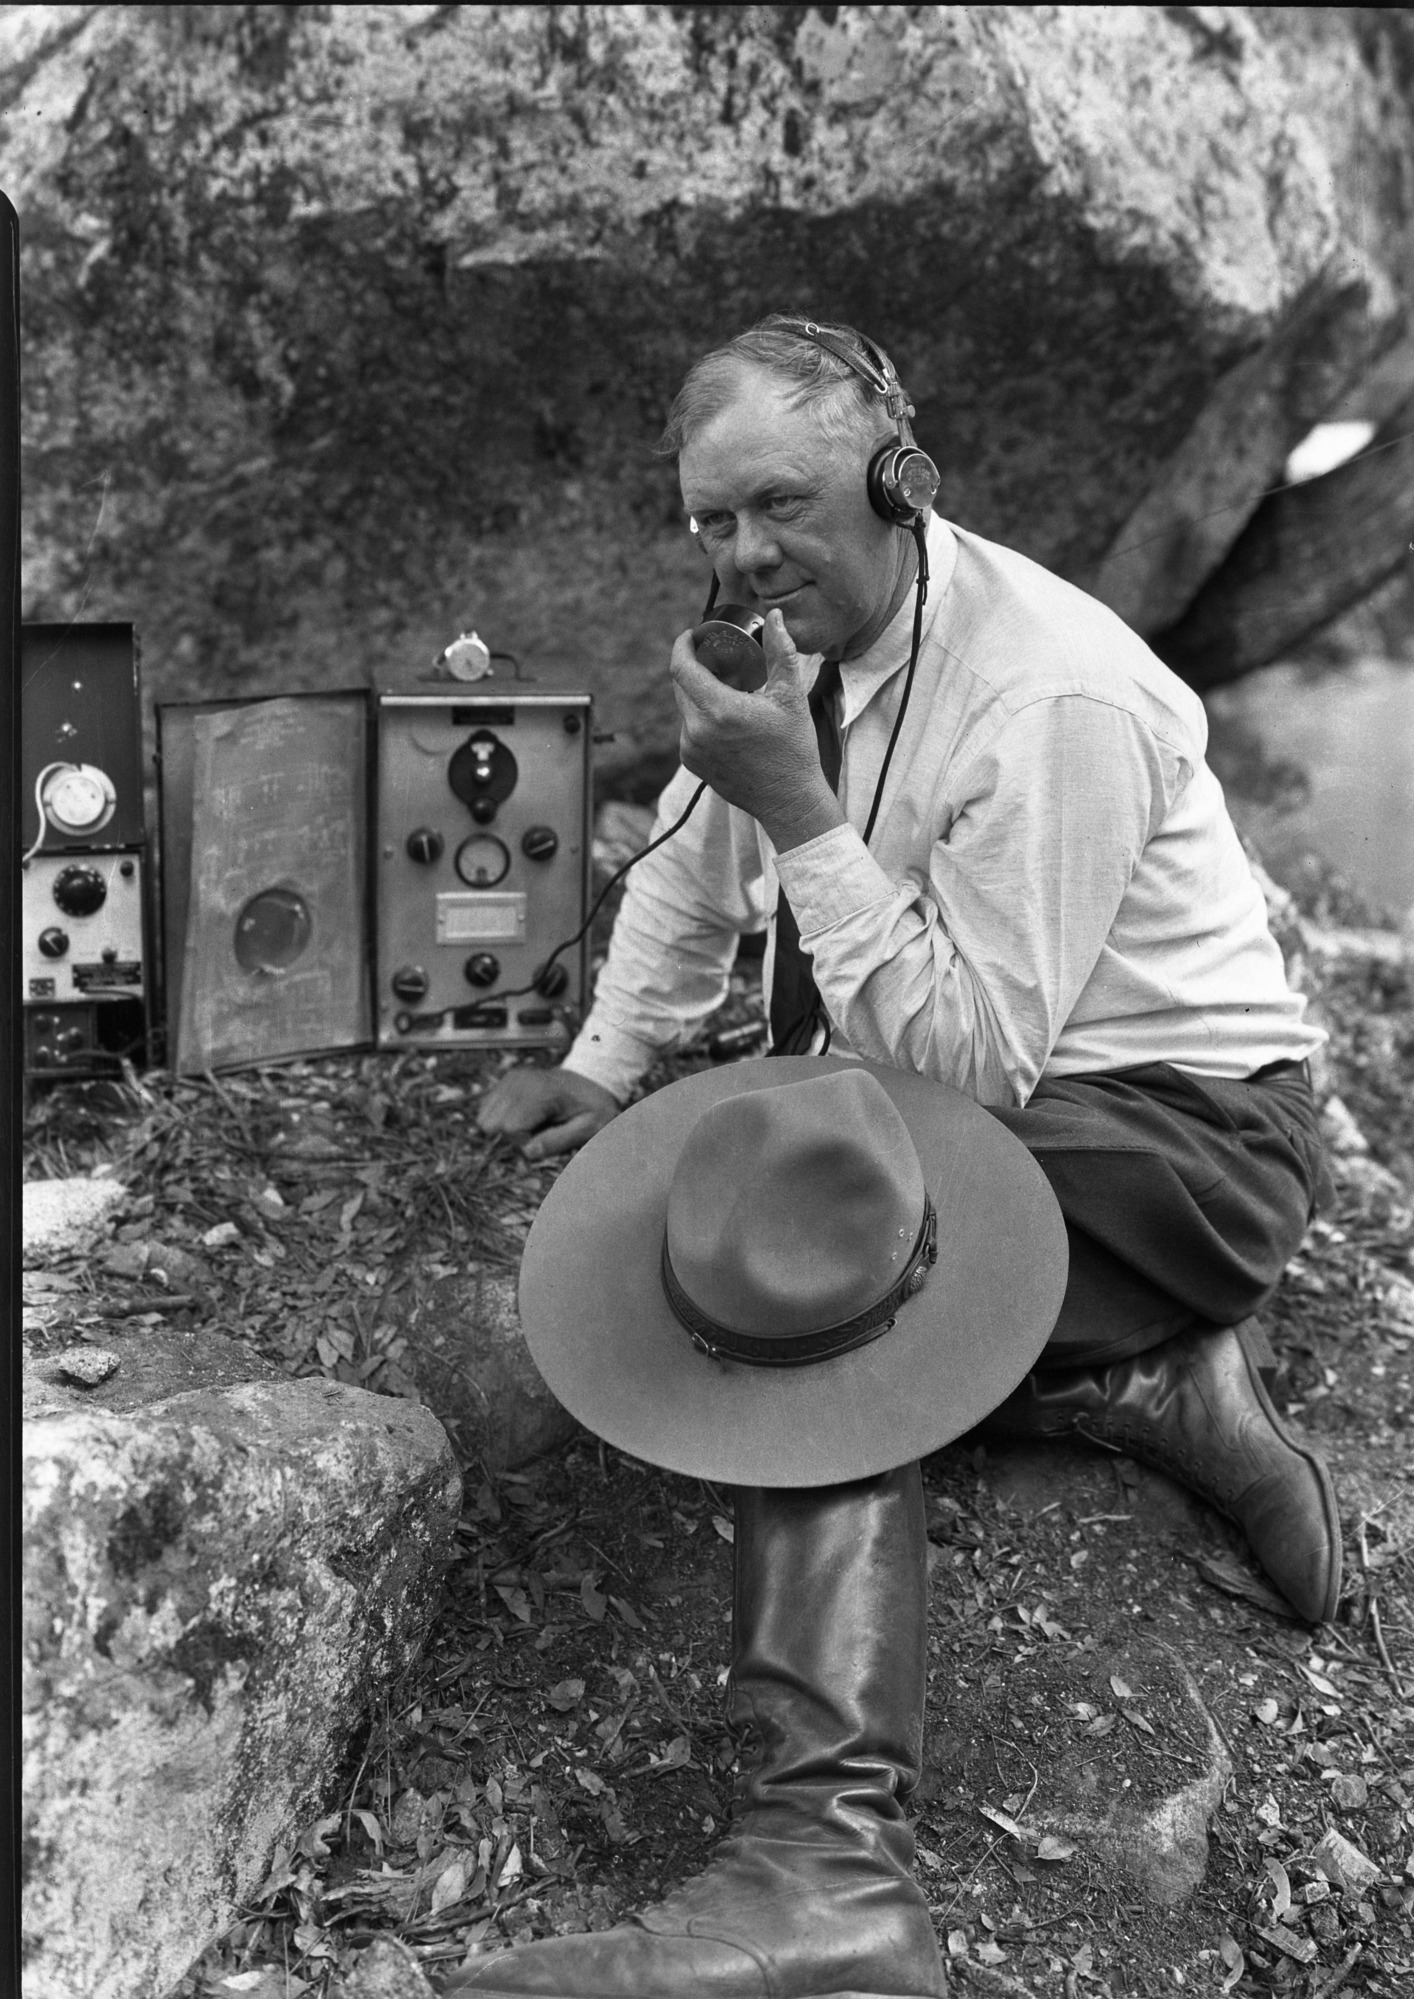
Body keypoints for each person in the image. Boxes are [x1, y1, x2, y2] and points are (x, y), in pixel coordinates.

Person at [457, 313, 1339, 1992]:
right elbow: (701, 873)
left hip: (1179, 1138)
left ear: (897, 477)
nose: (742, 556)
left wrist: (800, 804)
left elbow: (978, 1067)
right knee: (757, 1224)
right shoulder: (792, 641)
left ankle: (825, 1884)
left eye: (779, 505)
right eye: (709, 519)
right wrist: (603, 1063)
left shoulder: (1051, 692)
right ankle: (1144, 1387)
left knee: (823, 1272)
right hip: (964, 1121)